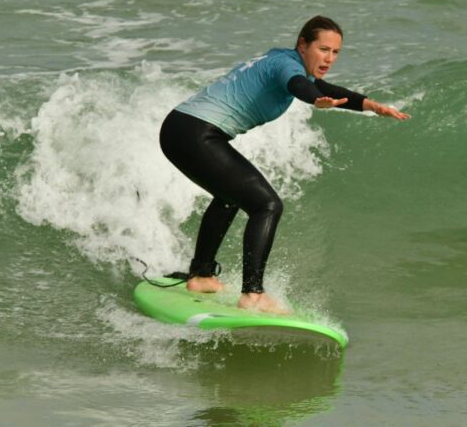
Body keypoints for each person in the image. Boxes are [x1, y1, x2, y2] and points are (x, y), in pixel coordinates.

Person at [159, 16, 409, 313]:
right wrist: (316, 100)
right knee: (267, 205)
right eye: (323, 49)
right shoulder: (287, 67)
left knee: (229, 197)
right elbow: (300, 85)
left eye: (335, 52)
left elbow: (320, 85)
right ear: (303, 45)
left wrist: (369, 105)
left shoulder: (282, 58)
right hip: (194, 133)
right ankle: (252, 295)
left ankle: (202, 275)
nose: (329, 58)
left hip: (181, 128)